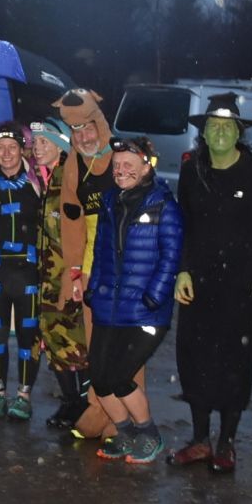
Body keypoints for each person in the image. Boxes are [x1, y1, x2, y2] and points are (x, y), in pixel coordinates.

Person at [171, 93, 252, 472]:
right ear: (204, 132)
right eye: (213, 126)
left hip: (241, 285)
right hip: (198, 282)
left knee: (233, 361)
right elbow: (181, 225)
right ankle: (200, 439)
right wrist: (182, 270)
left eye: (227, 125)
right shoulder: (192, 170)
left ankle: (226, 443)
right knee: (195, 357)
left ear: (238, 131)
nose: (219, 131)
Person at [86, 137, 183, 463]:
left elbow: (172, 255)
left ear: (146, 166)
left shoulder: (163, 203)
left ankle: (149, 433)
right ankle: (125, 432)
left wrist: (155, 297)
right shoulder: (111, 201)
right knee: (99, 379)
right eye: (117, 165)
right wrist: (94, 287)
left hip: (145, 311)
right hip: (108, 306)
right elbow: (101, 251)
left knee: (118, 377)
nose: (121, 170)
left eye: (129, 164)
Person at [54, 87, 130, 441]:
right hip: (90, 270)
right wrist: (73, 273)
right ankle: (100, 407)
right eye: (76, 131)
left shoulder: (124, 158)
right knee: (97, 345)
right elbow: (72, 223)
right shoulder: (74, 165)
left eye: (88, 127)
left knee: (126, 347)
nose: (83, 136)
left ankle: (127, 418)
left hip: (127, 268)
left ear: (100, 123)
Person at [0, 122, 42, 422]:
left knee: (28, 338)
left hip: (27, 272)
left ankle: (24, 396)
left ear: (22, 150)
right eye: (0, 147)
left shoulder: (37, 179)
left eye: (12, 147)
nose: (5, 153)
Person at [30, 118, 91, 429]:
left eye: (44, 143)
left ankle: (82, 406)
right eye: (35, 143)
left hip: (66, 277)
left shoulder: (69, 179)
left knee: (73, 343)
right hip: (47, 278)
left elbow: (78, 232)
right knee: (54, 340)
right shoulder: (44, 178)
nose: (37, 148)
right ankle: (71, 403)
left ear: (61, 145)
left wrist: (74, 275)